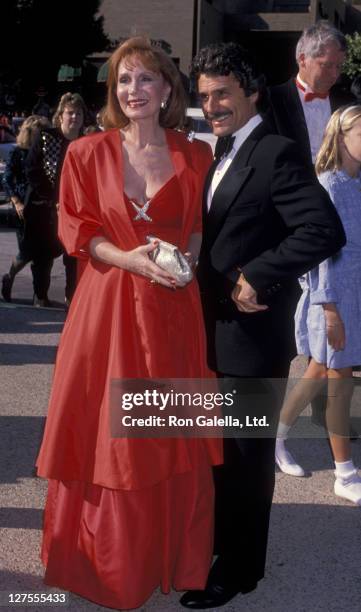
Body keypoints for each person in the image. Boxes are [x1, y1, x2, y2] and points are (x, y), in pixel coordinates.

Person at [36, 37, 222, 610]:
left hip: (171, 308)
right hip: (107, 306)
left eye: (145, 79)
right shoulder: (86, 152)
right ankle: (107, 561)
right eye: (123, 80)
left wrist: (182, 262)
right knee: (107, 434)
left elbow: (192, 228)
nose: (133, 90)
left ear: (167, 88)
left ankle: (169, 555)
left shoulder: (195, 154)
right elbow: (78, 231)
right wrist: (129, 259)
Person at [179, 42, 346, 610]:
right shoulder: (216, 152)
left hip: (251, 338)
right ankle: (220, 550)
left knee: (247, 458)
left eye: (223, 93)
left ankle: (240, 571)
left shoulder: (275, 151)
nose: (214, 105)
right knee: (221, 451)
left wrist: (260, 275)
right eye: (205, 96)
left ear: (252, 92)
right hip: (212, 333)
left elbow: (323, 230)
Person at [275, 105, 361, 504]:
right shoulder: (326, 184)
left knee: (317, 371)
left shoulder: (357, 183)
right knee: (337, 378)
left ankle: (275, 435)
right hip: (331, 297)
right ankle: (345, 473)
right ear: (340, 136)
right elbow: (319, 253)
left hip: (354, 292)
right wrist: (329, 308)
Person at [25, 92, 87, 306]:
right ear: (60, 116)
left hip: (76, 209)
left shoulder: (87, 142)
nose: (74, 117)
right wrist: (55, 199)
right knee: (43, 257)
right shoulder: (46, 137)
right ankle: (40, 296)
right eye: (70, 113)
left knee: (73, 256)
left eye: (78, 113)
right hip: (44, 208)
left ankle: (72, 297)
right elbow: (32, 170)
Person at [268, 20, 353, 169]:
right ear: (302, 60)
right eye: (326, 65)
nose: (335, 74)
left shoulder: (348, 102)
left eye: (339, 66)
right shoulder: (271, 100)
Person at [1, 115, 51, 303]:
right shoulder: (18, 152)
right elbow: (7, 179)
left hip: (45, 208)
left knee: (46, 253)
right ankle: (9, 276)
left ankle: (41, 295)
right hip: (24, 208)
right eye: (38, 132)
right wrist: (16, 201)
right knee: (27, 252)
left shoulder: (48, 152)